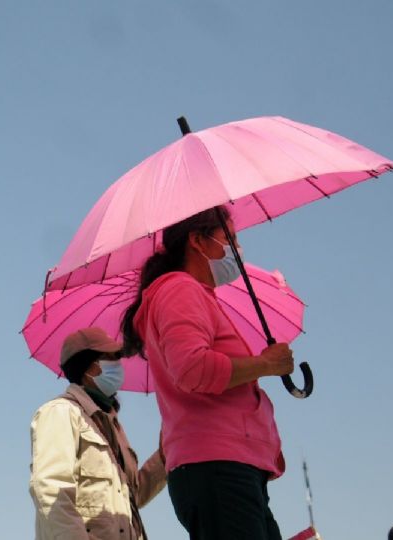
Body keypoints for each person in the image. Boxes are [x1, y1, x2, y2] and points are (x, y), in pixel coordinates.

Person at [120, 205, 295, 540]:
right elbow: (192, 368)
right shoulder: (179, 290)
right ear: (198, 241)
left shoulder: (193, 294)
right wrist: (267, 364)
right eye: (230, 238)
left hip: (228, 466)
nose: (237, 249)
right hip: (219, 467)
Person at [30, 327, 166, 540]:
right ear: (90, 368)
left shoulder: (110, 424)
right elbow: (51, 489)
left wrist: (165, 455)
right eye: (109, 358)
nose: (118, 365)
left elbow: (131, 497)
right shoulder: (61, 412)